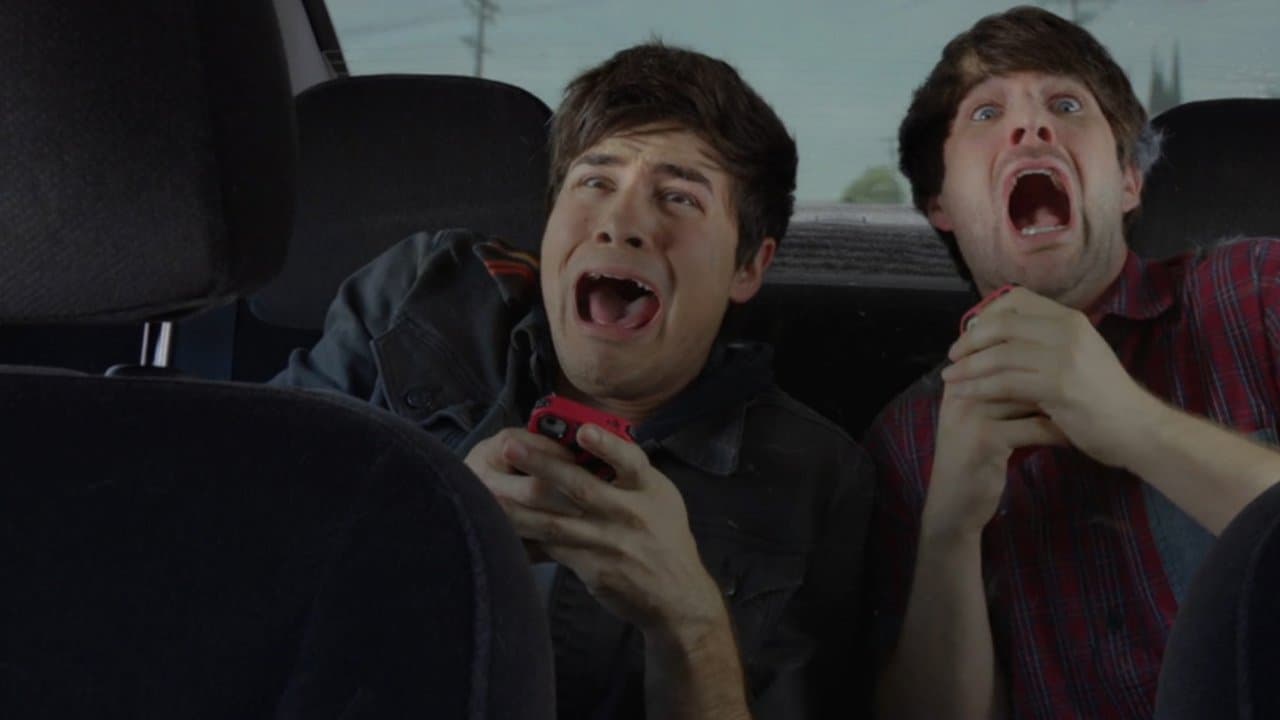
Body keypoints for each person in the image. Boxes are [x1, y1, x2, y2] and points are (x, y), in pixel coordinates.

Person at [272, 42, 874, 719]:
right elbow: (239, 562)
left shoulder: (819, 480)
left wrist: (690, 621)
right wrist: (438, 532)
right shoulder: (419, 301)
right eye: (594, 182)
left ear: (747, 267)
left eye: (679, 197)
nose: (620, 225)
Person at [866, 6, 1280, 719]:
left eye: (1065, 105)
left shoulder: (1258, 292)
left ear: (1128, 181)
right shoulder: (906, 443)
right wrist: (950, 535)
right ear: (941, 204)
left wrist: (1136, 427)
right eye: (986, 112)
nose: (1030, 127)